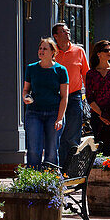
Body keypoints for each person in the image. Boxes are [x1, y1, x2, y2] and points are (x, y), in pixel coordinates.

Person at [22, 37, 69, 169]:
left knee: (52, 151)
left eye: (45, 49)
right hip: (34, 113)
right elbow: (26, 89)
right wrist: (25, 97)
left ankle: (51, 183)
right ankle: (32, 184)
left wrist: (60, 118)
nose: (41, 51)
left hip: (54, 113)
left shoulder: (61, 70)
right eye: (40, 48)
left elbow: (64, 97)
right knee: (33, 150)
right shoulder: (31, 68)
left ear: (53, 52)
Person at [52, 22, 89, 170]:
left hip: (74, 98)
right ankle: (60, 170)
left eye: (68, 31)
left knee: (73, 135)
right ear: (56, 36)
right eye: (64, 31)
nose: (68, 33)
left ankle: (72, 170)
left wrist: (90, 96)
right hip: (55, 99)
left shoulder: (79, 51)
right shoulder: (52, 52)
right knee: (58, 135)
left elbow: (86, 75)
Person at [84, 40, 110, 155]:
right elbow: (90, 98)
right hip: (97, 115)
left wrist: (109, 115)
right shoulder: (91, 74)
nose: (109, 52)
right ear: (98, 53)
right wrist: (102, 114)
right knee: (100, 149)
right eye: (106, 50)